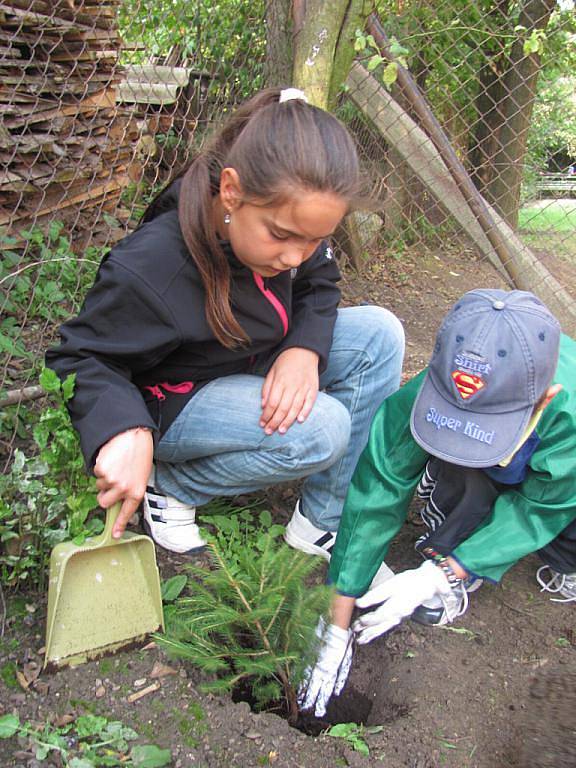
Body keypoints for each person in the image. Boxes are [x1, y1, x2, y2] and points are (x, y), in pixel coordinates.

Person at [46, 87, 404, 556]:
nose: (297, 255)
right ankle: (173, 483)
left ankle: (321, 520)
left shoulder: (289, 230)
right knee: (323, 429)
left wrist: (304, 348)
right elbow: (79, 355)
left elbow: (319, 280)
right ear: (232, 192)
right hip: (174, 400)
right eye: (282, 235)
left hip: (243, 359)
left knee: (380, 333)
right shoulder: (155, 265)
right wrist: (123, 429)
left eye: (316, 239)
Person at [299, 288, 576, 717]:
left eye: (486, 423)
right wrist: (336, 613)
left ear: (546, 398)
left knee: (564, 531)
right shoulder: (433, 391)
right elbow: (379, 487)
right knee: (464, 467)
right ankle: (459, 522)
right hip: (502, 458)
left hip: (566, 483)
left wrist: (439, 575)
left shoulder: (569, 418)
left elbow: (538, 509)